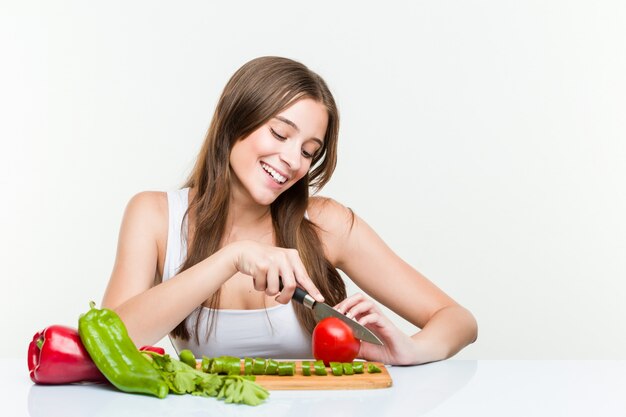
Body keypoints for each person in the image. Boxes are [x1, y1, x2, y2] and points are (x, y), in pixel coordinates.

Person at [102, 56, 477, 365]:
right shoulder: (155, 215)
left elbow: (458, 320)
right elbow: (108, 341)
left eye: (308, 151)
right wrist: (231, 258)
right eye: (280, 134)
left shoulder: (325, 223)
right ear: (234, 121)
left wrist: (413, 350)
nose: (291, 160)